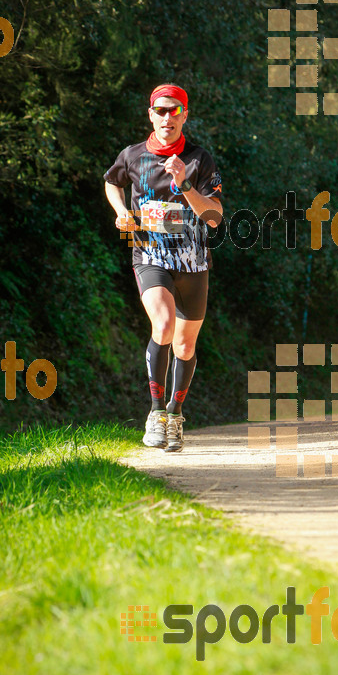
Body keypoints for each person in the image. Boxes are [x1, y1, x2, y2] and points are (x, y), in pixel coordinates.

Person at [104, 84, 223, 451]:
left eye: (174, 111)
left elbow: (215, 218)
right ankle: (155, 415)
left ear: (185, 115)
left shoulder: (200, 160)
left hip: (193, 261)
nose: (167, 117)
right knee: (164, 325)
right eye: (160, 110)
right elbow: (111, 182)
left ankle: (174, 414)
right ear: (150, 114)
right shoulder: (133, 156)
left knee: (185, 346)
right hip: (149, 256)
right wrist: (122, 212)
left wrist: (183, 182)